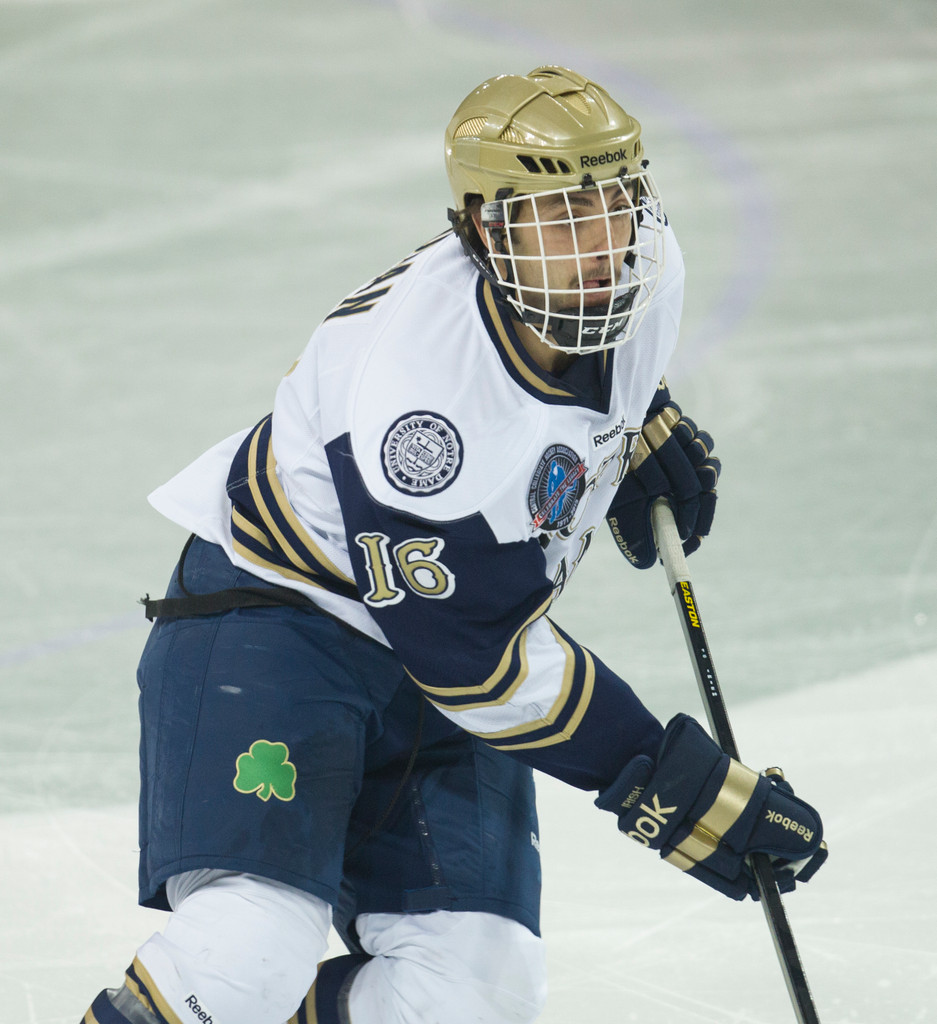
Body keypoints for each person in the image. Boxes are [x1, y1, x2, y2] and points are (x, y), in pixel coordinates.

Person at [82, 66, 827, 1024]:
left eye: (616, 200)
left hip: (434, 647)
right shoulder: (416, 414)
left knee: (471, 1000)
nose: (602, 243)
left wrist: (637, 422)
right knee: (242, 957)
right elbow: (477, 666)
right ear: (483, 226)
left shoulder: (650, 271)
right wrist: (665, 778)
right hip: (279, 629)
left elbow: (596, 382)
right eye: (562, 216)